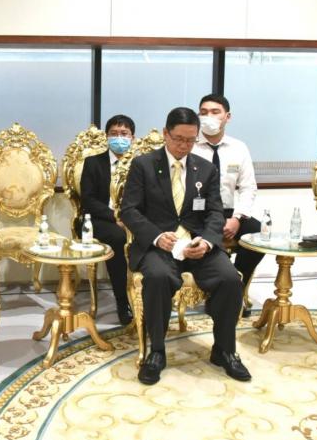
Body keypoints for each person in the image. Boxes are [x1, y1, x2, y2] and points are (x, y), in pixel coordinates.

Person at [121, 107, 250, 385]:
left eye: (190, 140)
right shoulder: (143, 165)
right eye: (178, 139)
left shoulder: (205, 168)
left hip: (196, 244)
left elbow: (215, 212)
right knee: (157, 277)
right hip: (160, 245)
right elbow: (129, 210)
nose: (184, 146)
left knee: (230, 278)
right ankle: (156, 351)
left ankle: (224, 350)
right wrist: (157, 236)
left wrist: (207, 241)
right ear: (165, 134)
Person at [192, 94, 264, 317]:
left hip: (230, 211)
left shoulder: (238, 148)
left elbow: (248, 187)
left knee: (257, 233)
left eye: (215, 112)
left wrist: (237, 218)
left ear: (227, 117)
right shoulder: (189, 145)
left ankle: (236, 289)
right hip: (198, 212)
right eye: (203, 112)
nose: (208, 117)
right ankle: (214, 288)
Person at [79, 114, 135, 325]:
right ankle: (122, 302)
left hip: (133, 218)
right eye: (114, 133)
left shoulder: (140, 164)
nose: (119, 138)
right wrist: (115, 216)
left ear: (133, 138)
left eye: (124, 133)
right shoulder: (93, 163)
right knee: (118, 237)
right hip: (100, 220)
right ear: (106, 136)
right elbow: (88, 199)